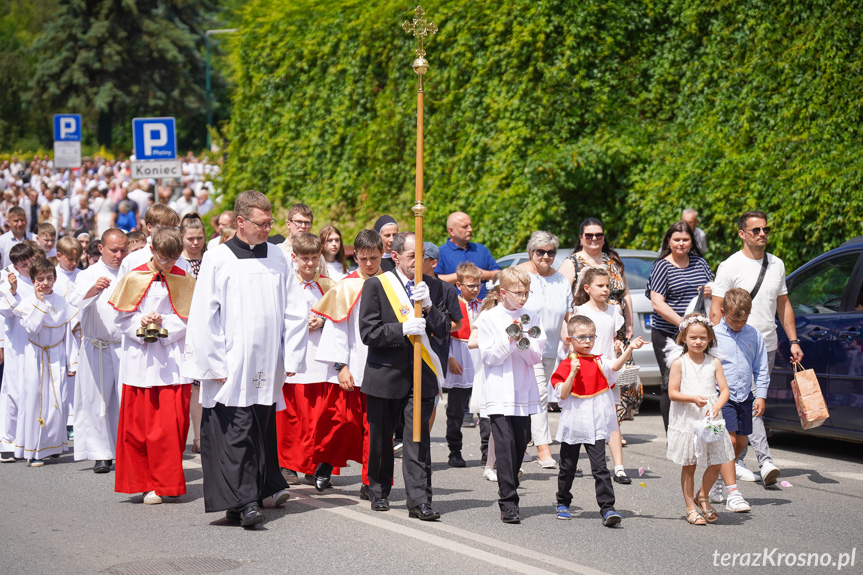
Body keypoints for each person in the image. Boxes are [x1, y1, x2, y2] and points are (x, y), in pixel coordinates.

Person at [182, 190, 306, 528]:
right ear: (240, 222)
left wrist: (292, 354)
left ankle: (240, 502)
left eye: (270, 223)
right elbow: (204, 313)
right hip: (231, 362)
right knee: (235, 431)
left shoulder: (279, 258)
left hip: (267, 361)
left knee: (258, 430)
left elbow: (295, 309)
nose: (268, 229)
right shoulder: (218, 258)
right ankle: (248, 502)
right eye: (262, 224)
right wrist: (213, 363)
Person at [359, 231, 448, 520]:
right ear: (395, 256)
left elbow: (445, 329)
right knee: (382, 439)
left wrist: (431, 306)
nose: (417, 261)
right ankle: (379, 489)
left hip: (419, 375)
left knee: (416, 439)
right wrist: (401, 329)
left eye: (421, 255)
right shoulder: (377, 285)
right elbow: (368, 332)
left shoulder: (429, 285)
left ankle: (419, 501)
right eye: (412, 255)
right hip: (385, 374)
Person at [709, 210, 801, 486]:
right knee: (747, 400)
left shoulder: (777, 265)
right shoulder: (729, 266)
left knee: (752, 400)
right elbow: (716, 308)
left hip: (766, 344)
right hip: (733, 346)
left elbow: (783, 305)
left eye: (765, 230)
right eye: (756, 230)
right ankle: (765, 459)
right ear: (742, 234)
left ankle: (736, 458)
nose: (762, 234)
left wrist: (793, 340)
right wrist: (715, 346)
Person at [109, 228, 194, 504]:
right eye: (163, 257)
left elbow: (189, 318)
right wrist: (143, 323)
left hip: (171, 361)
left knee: (170, 428)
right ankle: (146, 483)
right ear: (152, 251)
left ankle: (167, 482)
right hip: (141, 361)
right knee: (140, 428)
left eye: (173, 258)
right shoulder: (134, 277)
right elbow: (122, 319)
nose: (169, 264)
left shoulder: (185, 280)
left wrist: (164, 325)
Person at [551, 316, 644, 526]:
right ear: (570, 339)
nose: (587, 341)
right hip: (574, 423)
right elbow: (563, 395)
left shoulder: (599, 360)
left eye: (591, 337)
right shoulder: (566, 365)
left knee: (600, 467)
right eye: (582, 337)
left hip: (595, 424)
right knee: (567, 466)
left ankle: (608, 507)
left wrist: (629, 349)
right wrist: (573, 373)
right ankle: (563, 502)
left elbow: (616, 366)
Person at [310, 229, 383, 496]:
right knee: (340, 423)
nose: (368, 264)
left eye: (373, 258)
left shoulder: (390, 284)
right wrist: (341, 366)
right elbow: (338, 327)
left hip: (380, 368)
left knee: (374, 428)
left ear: (382, 254)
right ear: (356, 257)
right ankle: (325, 466)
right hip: (351, 365)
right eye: (363, 258)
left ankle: (369, 481)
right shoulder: (347, 284)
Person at [476, 266, 546, 524]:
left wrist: (522, 342)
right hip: (499, 390)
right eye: (518, 293)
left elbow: (536, 355)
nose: (523, 298)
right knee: (504, 447)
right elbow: (489, 357)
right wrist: (509, 339)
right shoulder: (488, 318)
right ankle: (508, 502)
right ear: (503, 292)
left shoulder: (532, 315)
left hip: (523, 390)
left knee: (519, 444)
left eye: (526, 292)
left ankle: (511, 483)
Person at [665, 313, 747, 523]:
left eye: (702, 337)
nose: (698, 342)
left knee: (717, 460)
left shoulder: (714, 362)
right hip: (688, 415)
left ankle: (703, 496)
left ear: (710, 338)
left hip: (710, 415)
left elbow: (725, 390)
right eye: (693, 337)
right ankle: (690, 507)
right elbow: (672, 392)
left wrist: (717, 405)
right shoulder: (679, 363)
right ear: (683, 338)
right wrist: (692, 398)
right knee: (689, 463)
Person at [275, 233, 336, 490]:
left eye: (313, 258)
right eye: (304, 258)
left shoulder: (329, 285)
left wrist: (323, 320)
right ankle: (288, 464)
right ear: (294, 258)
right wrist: (301, 324)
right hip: (294, 356)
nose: (309, 264)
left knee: (318, 416)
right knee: (291, 416)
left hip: (320, 359)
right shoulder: (285, 284)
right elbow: (278, 317)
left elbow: (339, 316)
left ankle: (315, 466)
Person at [68, 229, 128, 474]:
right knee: (97, 401)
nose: (119, 255)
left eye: (123, 249)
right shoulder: (88, 274)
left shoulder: (130, 271)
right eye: (114, 250)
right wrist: (94, 290)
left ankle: (125, 450)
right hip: (97, 346)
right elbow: (75, 301)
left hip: (124, 346)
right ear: (100, 248)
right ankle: (101, 454)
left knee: (125, 400)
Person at [645, 221, 713, 430]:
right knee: (670, 385)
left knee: (699, 380)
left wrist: (710, 291)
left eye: (685, 239)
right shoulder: (662, 266)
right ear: (668, 241)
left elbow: (714, 288)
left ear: (692, 241)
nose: (681, 244)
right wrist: (684, 325)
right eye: (677, 240)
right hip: (668, 334)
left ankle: (698, 429)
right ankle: (674, 433)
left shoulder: (700, 263)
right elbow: (657, 303)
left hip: (698, 334)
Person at [14, 258, 78, 466]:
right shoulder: (27, 302)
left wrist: (73, 361)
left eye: (49, 278)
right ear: (33, 281)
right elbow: (32, 328)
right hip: (36, 356)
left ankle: (52, 446)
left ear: (55, 278)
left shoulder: (61, 302)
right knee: (36, 401)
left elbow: (68, 333)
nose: (45, 283)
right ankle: (33, 451)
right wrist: (39, 302)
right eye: (40, 279)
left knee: (58, 400)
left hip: (57, 356)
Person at [518, 230, 572, 469]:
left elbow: (567, 313)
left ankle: (517, 444)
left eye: (551, 252)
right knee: (540, 395)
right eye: (541, 252)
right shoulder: (520, 275)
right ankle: (543, 449)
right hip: (525, 346)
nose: (546, 256)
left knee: (530, 397)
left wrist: (570, 338)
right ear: (532, 252)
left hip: (550, 347)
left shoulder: (560, 279)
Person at [572, 267, 630, 483]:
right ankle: (575, 461)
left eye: (607, 286)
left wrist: (616, 342)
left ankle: (619, 467)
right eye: (600, 286)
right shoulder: (579, 311)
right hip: (586, 370)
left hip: (607, 370)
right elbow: (572, 341)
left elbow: (612, 336)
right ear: (587, 288)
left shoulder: (613, 311)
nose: (606, 289)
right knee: (581, 417)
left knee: (611, 418)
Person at [713, 289, 770, 503]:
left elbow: (761, 367)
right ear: (722, 312)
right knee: (729, 440)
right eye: (735, 320)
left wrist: (761, 395)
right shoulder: (713, 335)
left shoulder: (753, 335)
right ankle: (732, 492)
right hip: (722, 396)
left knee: (741, 444)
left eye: (743, 320)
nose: (739, 324)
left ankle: (718, 475)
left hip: (745, 395)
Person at [558, 217, 634, 341]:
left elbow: (625, 294)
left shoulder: (613, 260)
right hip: (586, 333)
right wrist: (564, 327)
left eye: (598, 235)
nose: (594, 239)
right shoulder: (572, 263)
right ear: (581, 238)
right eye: (589, 235)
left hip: (617, 330)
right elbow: (560, 299)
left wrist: (630, 325)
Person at [0, 244, 38, 461]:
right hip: (16, 343)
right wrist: (13, 291)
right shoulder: (7, 280)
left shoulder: (39, 277)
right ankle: (7, 441)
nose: (28, 267)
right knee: (13, 392)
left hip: (36, 343)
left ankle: (30, 441)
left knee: (33, 391)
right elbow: (4, 310)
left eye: (30, 262)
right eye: (23, 265)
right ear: (15, 266)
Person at [443, 262, 482, 468]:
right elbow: (446, 336)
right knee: (456, 410)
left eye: (478, 285)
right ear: (459, 285)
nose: (475, 289)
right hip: (459, 355)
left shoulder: (484, 305)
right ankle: (455, 451)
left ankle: (487, 452)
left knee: (484, 409)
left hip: (479, 358)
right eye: (470, 285)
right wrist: (449, 358)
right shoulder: (453, 304)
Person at [180, 213, 206, 452]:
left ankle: (205, 434)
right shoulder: (179, 263)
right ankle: (196, 436)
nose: (195, 243)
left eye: (199, 237)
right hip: (184, 326)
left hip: (207, 325)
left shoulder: (209, 260)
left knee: (205, 381)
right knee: (192, 385)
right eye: (190, 238)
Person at [435, 212, 500, 299]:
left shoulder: (480, 249)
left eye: (470, 225)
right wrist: (464, 276)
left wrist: (484, 274)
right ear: (451, 231)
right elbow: (435, 280)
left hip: (484, 306)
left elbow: (499, 273)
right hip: (455, 308)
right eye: (465, 226)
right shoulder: (440, 253)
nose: (470, 229)